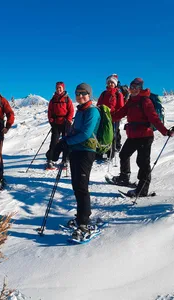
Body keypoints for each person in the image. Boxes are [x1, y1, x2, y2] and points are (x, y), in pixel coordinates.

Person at [111, 78, 174, 197]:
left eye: (136, 87)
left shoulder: (145, 101)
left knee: (142, 162)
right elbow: (120, 113)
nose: (133, 89)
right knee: (123, 154)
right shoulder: (131, 101)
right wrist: (107, 117)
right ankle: (124, 177)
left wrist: (165, 131)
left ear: (140, 88)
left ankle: (142, 190)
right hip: (133, 136)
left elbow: (154, 118)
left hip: (145, 136)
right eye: (131, 87)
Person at [53, 83, 101, 241]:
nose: (80, 96)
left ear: (89, 95)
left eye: (83, 93)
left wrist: (68, 142)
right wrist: (63, 141)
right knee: (76, 185)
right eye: (78, 93)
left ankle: (84, 223)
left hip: (86, 152)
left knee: (81, 186)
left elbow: (86, 134)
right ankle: (81, 216)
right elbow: (75, 132)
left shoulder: (92, 111)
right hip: (76, 151)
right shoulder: (80, 111)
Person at [45, 81, 74, 170]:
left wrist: (68, 120)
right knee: (54, 142)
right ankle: (50, 160)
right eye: (57, 88)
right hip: (56, 123)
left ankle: (65, 160)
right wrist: (51, 120)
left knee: (65, 142)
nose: (58, 89)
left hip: (65, 123)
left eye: (60, 88)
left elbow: (71, 110)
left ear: (63, 88)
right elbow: (50, 111)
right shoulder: (53, 100)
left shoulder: (67, 99)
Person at [97, 74, 125, 158]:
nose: (110, 84)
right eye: (109, 82)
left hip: (114, 118)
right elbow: (99, 104)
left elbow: (121, 107)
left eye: (112, 83)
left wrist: (116, 116)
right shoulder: (103, 93)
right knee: (103, 134)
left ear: (115, 84)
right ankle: (102, 151)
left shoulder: (118, 94)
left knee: (112, 134)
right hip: (104, 117)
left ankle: (111, 153)